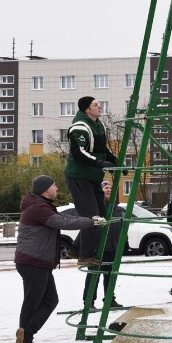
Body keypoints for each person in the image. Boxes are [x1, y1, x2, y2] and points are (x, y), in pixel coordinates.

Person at [14, 175, 106, 343]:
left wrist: (89, 218)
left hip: (37, 261)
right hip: (33, 261)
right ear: (46, 189)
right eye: (54, 185)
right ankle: (26, 339)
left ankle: (26, 337)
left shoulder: (41, 204)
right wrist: (91, 222)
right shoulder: (38, 207)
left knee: (50, 300)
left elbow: (62, 217)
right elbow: (61, 222)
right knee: (33, 302)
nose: (57, 188)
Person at [64, 96, 118, 266]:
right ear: (87, 109)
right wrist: (100, 163)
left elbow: (103, 149)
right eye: (96, 105)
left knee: (101, 216)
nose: (99, 106)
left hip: (93, 177)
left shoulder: (98, 124)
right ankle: (85, 256)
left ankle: (75, 248)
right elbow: (79, 153)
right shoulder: (79, 127)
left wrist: (116, 163)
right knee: (92, 217)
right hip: (79, 177)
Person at [80, 181, 125, 309]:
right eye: (106, 188)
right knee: (94, 275)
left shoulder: (117, 209)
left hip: (112, 247)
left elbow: (121, 227)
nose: (109, 190)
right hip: (97, 247)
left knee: (110, 275)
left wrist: (123, 243)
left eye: (111, 188)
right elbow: (89, 226)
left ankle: (110, 299)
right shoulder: (95, 208)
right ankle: (89, 302)